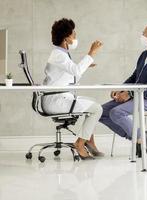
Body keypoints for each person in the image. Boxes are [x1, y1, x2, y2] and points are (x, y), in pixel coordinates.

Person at [99, 22, 147, 157]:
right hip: (136, 96)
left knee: (116, 112)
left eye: (146, 34)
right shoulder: (145, 54)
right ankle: (139, 137)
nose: (142, 36)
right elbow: (134, 77)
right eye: (143, 33)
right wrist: (120, 89)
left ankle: (139, 139)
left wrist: (130, 93)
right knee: (100, 112)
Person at [42, 18, 104, 160]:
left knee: (93, 103)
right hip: (56, 101)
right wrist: (91, 53)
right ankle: (80, 143)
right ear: (66, 39)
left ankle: (89, 140)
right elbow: (76, 71)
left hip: (59, 97)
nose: (75, 37)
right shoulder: (58, 55)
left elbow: (72, 76)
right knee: (97, 108)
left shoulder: (61, 54)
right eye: (73, 34)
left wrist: (85, 66)